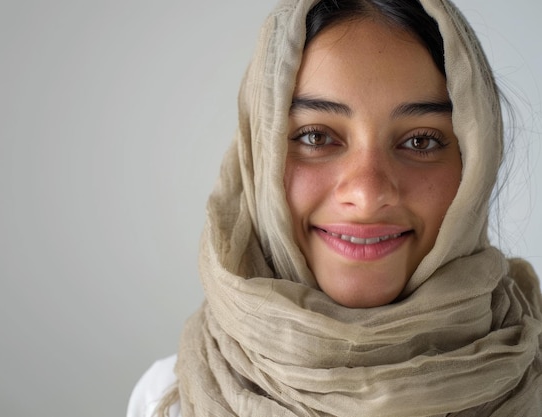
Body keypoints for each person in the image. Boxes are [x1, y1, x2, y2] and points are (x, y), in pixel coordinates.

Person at [128, 0, 542, 415]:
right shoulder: (169, 398)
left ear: (477, 160)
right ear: (260, 155)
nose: (366, 193)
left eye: (421, 141)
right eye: (316, 137)